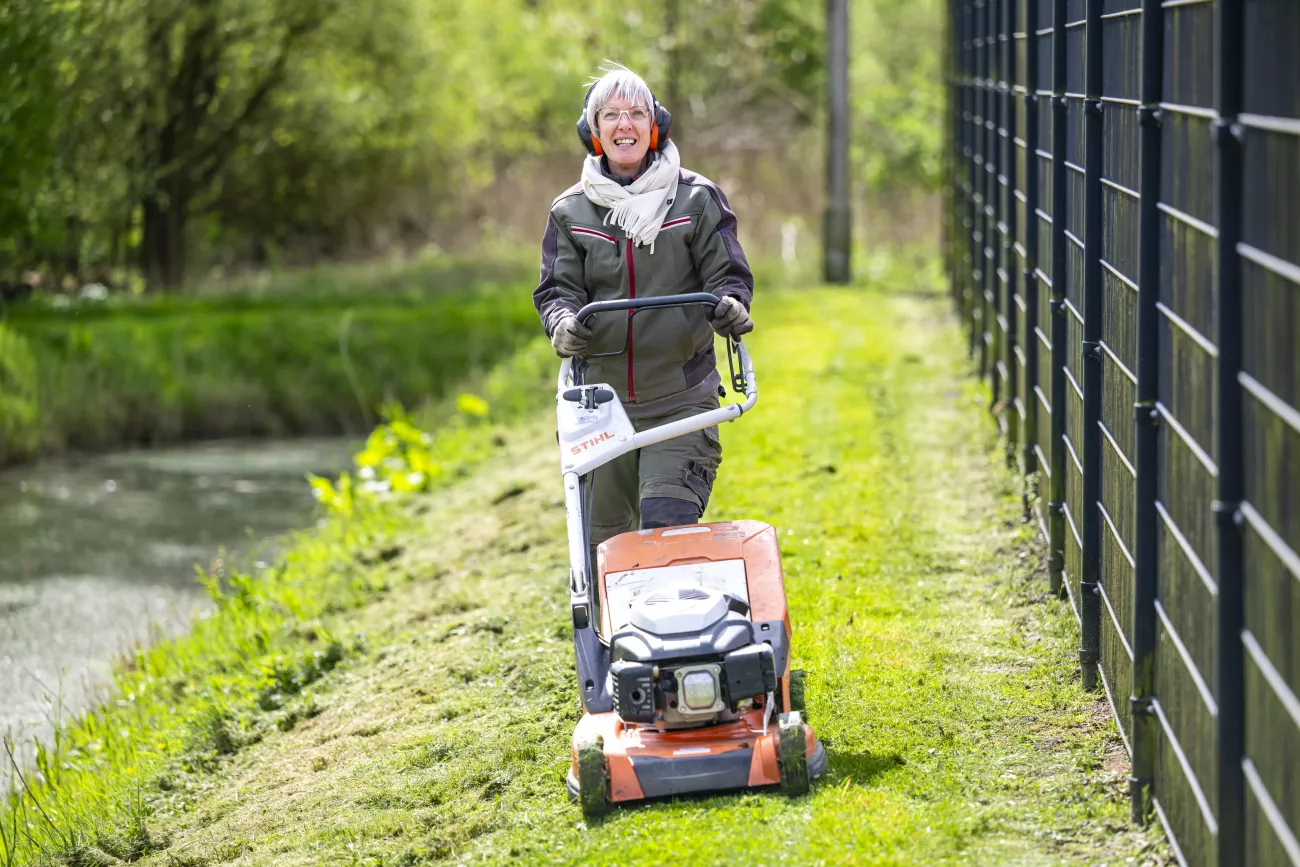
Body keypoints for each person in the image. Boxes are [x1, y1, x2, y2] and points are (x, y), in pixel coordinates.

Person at [533, 64, 755, 563]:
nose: (624, 124)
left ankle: (678, 636)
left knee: (662, 531)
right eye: (611, 115)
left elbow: (730, 277)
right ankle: (607, 640)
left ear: (655, 125)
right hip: (601, 407)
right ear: (594, 132)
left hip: (680, 400)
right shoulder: (569, 211)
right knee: (603, 550)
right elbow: (557, 291)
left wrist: (732, 308)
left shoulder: (697, 198)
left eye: (636, 112)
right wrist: (562, 323)